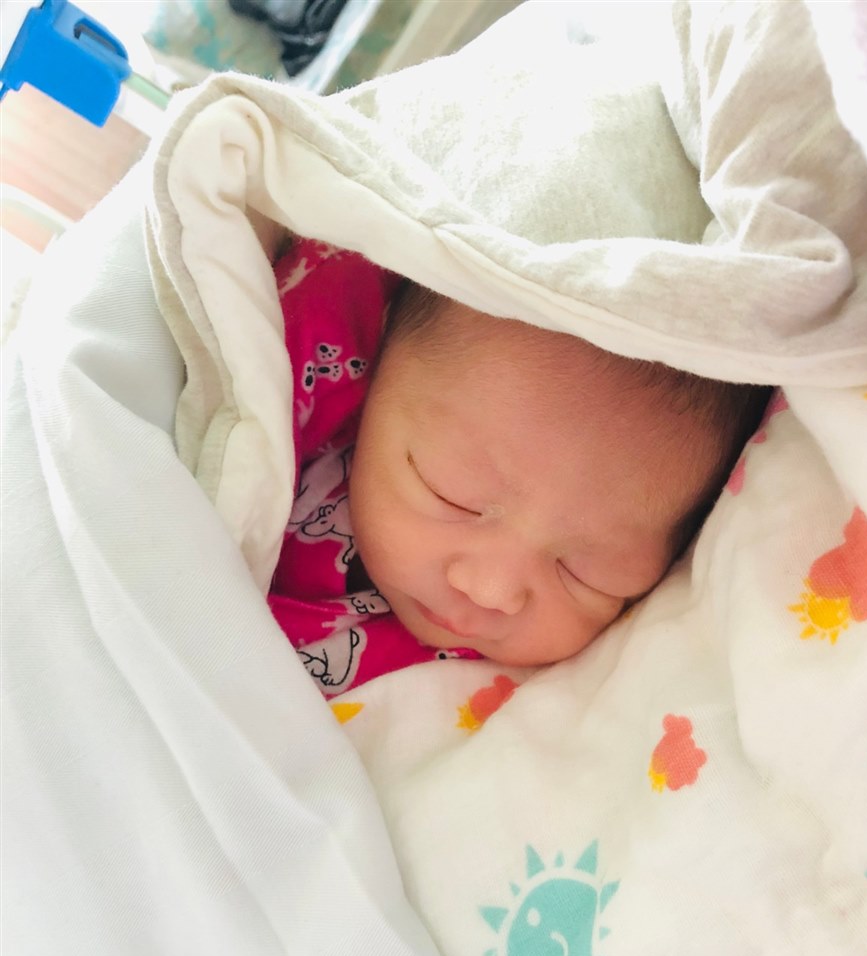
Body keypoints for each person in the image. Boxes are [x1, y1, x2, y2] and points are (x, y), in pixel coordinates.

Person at [268, 237, 770, 695]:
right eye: (452, 495)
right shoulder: (287, 390)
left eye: (587, 576)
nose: (491, 591)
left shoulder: (567, 700)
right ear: (378, 363)